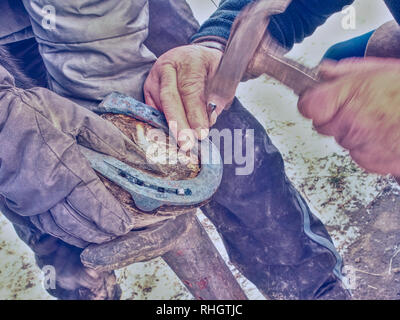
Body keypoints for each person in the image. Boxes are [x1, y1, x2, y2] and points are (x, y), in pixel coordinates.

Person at [0, 0, 361, 300]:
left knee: (225, 152)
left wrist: (126, 126)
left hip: (111, 15)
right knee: (51, 201)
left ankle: (314, 289)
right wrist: (13, 141)